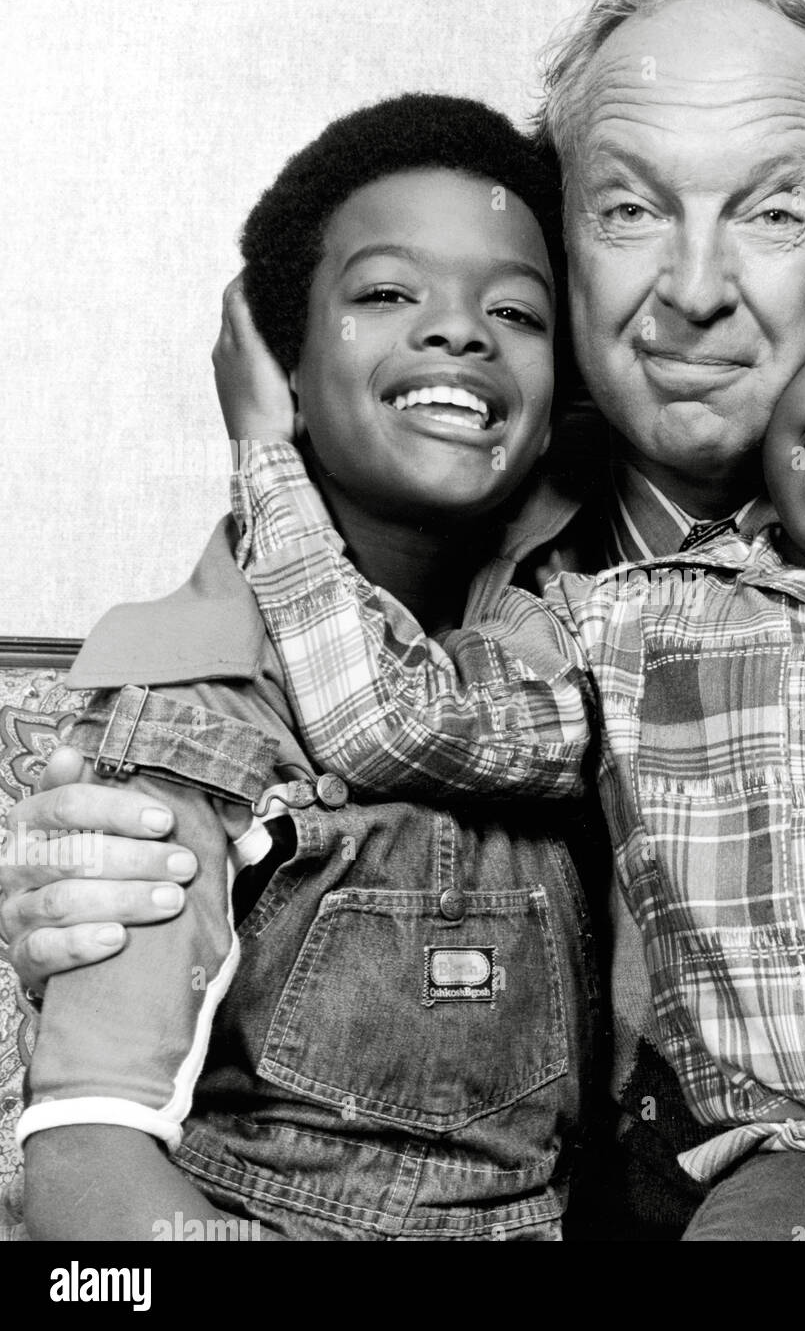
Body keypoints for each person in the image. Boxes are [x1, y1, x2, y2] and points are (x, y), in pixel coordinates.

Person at [2, 0, 805, 1239]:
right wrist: (89, 886)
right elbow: (223, 741)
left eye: (773, 213)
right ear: (561, 242)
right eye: (628, 207)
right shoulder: (458, 480)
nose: (696, 289)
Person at [18, 92, 603, 1240]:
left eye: (517, 312)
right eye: (387, 293)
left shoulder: (566, 666)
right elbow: (85, 1172)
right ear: (280, 361)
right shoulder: (192, 711)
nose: (458, 331)